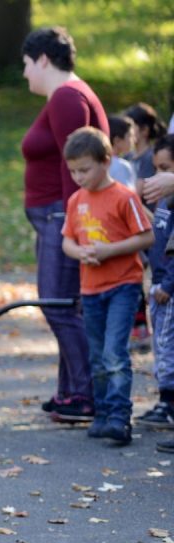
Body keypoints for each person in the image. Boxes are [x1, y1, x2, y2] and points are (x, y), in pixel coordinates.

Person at [20, 26, 109, 424]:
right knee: (65, 304)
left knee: (57, 305)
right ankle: (70, 392)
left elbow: (72, 166)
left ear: (42, 59)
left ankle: (85, 393)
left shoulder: (66, 97)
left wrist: (69, 222)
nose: (24, 75)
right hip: (57, 214)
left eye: (26, 65)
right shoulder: (71, 95)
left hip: (60, 214)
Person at [60, 128, 154, 446]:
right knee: (98, 355)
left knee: (115, 352)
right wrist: (81, 252)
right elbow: (67, 241)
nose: (78, 177)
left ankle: (119, 417)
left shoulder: (124, 197)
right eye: (73, 171)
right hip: (90, 289)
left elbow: (147, 237)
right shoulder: (76, 200)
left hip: (123, 286)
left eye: (84, 169)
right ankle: (101, 414)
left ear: (106, 162)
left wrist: (109, 250)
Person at [137, 136, 174, 433]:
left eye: (165, 168)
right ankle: (165, 401)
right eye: (156, 168)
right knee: (161, 347)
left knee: (168, 347)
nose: (158, 175)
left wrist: (168, 284)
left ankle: (169, 403)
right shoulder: (165, 199)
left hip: (167, 288)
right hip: (158, 282)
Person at [125, 102, 168, 205]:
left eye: (131, 127)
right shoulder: (128, 156)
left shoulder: (149, 157)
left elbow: (135, 194)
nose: (126, 131)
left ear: (144, 130)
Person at [107, 115, 138, 190]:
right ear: (117, 140)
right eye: (130, 136)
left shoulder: (98, 164)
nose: (135, 140)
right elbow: (129, 197)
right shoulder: (122, 166)